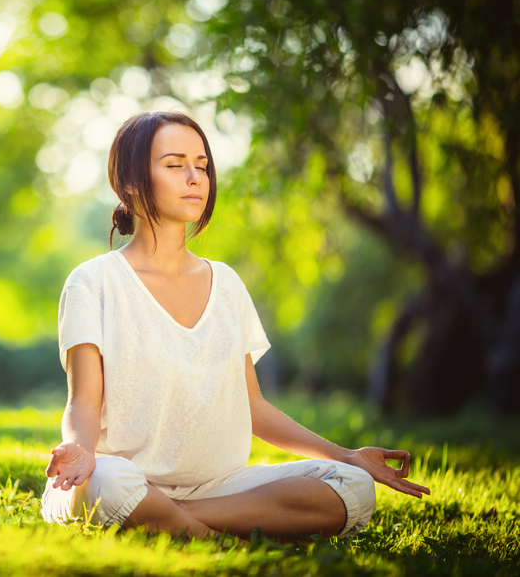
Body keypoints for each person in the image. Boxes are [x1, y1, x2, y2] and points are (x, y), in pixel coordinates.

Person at [40, 111, 431, 540]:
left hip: (219, 486)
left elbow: (254, 407)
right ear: (130, 183)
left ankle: (171, 518)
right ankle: (209, 529)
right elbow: (83, 402)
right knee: (110, 486)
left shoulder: (225, 283)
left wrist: (348, 455)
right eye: (174, 165)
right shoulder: (93, 281)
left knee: (351, 487)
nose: (195, 178)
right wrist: (79, 449)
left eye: (202, 166)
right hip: (121, 476)